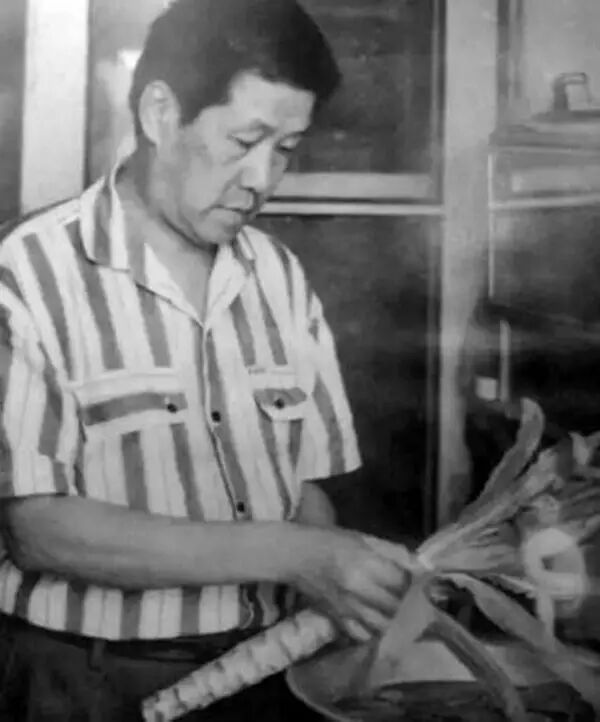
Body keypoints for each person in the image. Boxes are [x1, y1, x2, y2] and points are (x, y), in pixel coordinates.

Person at [0, 0, 411, 719]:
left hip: (265, 673)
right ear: (160, 113)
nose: (262, 178)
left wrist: (345, 576)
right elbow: (39, 528)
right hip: (83, 683)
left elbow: (303, 489)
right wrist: (299, 556)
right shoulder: (26, 276)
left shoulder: (281, 278)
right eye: (244, 141)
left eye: (285, 149)